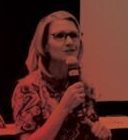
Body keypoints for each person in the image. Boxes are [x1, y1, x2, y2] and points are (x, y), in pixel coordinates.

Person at [11, 10, 112, 140]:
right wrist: (64, 107)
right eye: (59, 36)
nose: (70, 42)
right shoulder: (28, 88)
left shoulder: (84, 87)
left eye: (74, 35)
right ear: (45, 44)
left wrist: (101, 133)